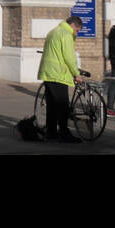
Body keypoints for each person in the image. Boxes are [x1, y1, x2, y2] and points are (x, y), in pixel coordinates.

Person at [37, 15, 85, 143]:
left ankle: (51, 132)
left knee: (52, 106)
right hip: (58, 74)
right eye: (78, 30)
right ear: (74, 25)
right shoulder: (66, 34)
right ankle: (64, 133)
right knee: (63, 105)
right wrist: (76, 74)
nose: (77, 33)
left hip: (48, 73)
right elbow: (69, 56)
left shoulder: (54, 31)